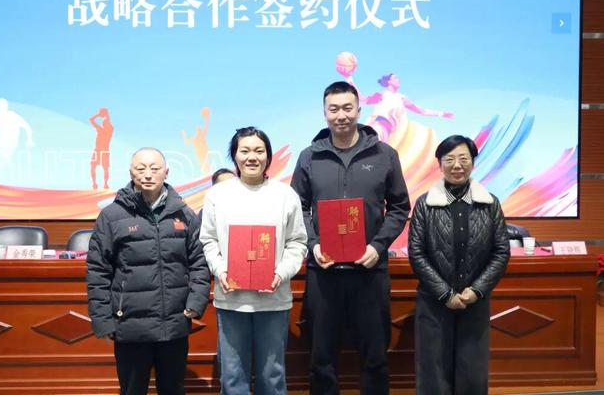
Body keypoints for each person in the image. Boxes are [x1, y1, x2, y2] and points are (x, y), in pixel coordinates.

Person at [290, 81, 411, 395]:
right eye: (333, 109)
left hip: (370, 271)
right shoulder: (309, 157)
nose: (340, 115)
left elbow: (400, 207)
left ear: (359, 109)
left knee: (375, 356)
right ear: (324, 112)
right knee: (321, 358)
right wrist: (313, 244)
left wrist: (378, 246)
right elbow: (297, 207)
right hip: (323, 272)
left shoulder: (385, 154)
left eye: (347, 108)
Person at [86, 147, 210, 395]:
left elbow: (199, 262)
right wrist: (102, 319)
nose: (148, 174)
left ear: (166, 172)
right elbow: (98, 271)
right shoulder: (112, 216)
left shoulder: (184, 214)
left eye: (154, 168)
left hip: (174, 323)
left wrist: (196, 302)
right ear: (131, 172)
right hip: (130, 325)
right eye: (140, 168)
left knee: (173, 390)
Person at [200, 127, 307, 395]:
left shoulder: (285, 195)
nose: (252, 157)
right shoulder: (217, 195)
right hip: (231, 299)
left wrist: (281, 273)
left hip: (273, 300)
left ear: (268, 156)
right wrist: (220, 270)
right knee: (232, 376)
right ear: (234, 156)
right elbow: (208, 241)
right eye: (244, 150)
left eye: (259, 151)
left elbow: (297, 242)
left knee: (272, 375)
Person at [407, 135, 510, 395]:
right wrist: (445, 294)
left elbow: (501, 252)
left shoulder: (490, 204)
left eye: (464, 159)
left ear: (473, 163)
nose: (457, 165)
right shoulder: (424, 204)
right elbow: (417, 253)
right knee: (434, 372)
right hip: (434, 303)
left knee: (472, 372)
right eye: (449, 159)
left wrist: (476, 290)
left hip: (474, 303)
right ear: (439, 164)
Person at [89, 107, 114, 190]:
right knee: (97, 167)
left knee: (103, 167)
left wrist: (98, 115)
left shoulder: (104, 130)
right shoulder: (107, 129)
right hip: (101, 150)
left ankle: (103, 184)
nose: (103, 123)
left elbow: (91, 120)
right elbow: (91, 120)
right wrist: (104, 115)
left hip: (101, 150)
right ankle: (97, 184)